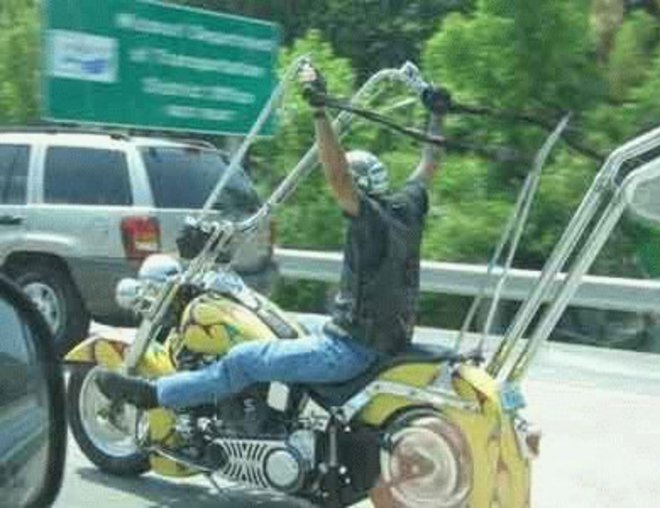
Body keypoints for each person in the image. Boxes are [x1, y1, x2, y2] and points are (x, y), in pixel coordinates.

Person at [95, 64, 451, 410]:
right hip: (381, 339)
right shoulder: (407, 208)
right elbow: (429, 162)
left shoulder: (368, 220)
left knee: (242, 359)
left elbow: (338, 176)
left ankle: (155, 395)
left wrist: (320, 112)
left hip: (350, 350)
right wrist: (437, 115)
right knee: (279, 321)